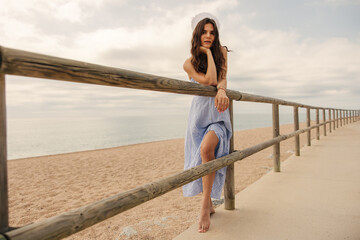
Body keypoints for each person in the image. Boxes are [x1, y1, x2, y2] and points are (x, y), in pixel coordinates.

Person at [182, 12, 232, 233]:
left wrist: (222, 89)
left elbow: (220, 78)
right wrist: (205, 53)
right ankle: (209, 203)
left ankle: (204, 206)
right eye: (204, 32)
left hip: (218, 112)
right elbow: (209, 79)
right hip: (199, 115)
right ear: (197, 34)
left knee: (206, 149)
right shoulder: (189, 63)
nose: (208, 36)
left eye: (212, 32)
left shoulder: (221, 51)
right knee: (204, 156)